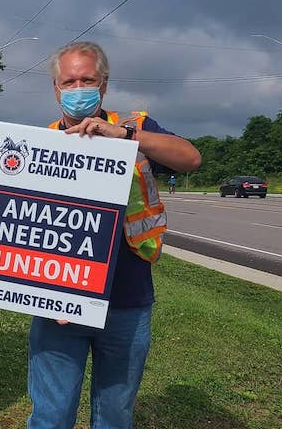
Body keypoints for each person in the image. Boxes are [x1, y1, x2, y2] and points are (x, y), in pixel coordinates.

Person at [27, 42, 201, 429]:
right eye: (68, 81)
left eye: (86, 79)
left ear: (103, 85)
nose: (77, 88)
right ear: (56, 88)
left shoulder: (135, 128)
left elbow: (190, 158)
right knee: (50, 416)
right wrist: (45, 291)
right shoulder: (39, 144)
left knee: (114, 415)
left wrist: (124, 136)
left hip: (126, 299)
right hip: (59, 305)